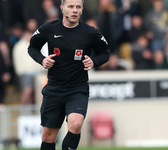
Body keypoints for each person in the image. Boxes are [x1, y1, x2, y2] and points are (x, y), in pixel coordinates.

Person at [28, 0, 110, 149]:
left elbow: (105, 53)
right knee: (48, 136)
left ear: (82, 10)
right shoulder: (49, 28)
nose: (74, 10)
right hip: (54, 88)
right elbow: (32, 47)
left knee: (76, 124)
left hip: (77, 88)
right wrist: (42, 60)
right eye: (70, 7)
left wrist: (94, 61)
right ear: (62, 9)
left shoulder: (90, 32)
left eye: (78, 7)